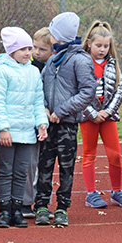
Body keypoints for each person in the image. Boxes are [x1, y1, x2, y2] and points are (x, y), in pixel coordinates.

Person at [34, 12, 95, 227]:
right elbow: (40, 87)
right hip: (47, 124)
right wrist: (44, 110)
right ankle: (41, 205)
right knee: (44, 165)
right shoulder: (52, 59)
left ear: (58, 35)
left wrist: (61, 111)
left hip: (67, 124)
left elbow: (87, 91)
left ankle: (62, 207)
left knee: (66, 167)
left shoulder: (80, 59)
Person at [0, 27, 48, 228]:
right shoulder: (1, 71)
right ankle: (4, 210)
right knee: (6, 170)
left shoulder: (33, 72)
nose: (28, 53)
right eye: (23, 49)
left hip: (26, 133)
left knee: (22, 171)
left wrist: (41, 123)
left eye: (29, 48)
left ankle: (17, 209)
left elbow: (38, 101)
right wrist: (3, 128)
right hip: (7, 133)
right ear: (11, 51)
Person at [79, 21, 122, 209]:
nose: (102, 49)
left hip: (108, 116)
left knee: (115, 154)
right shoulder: (82, 62)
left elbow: (120, 88)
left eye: (106, 46)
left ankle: (117, 191)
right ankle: (91, 193)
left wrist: (108, 111)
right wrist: (92, 113)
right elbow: (78, 91)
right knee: (89, 153)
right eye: (98, 45)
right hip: (88, 117)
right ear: (89, 43)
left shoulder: (113, 64)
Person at [21, 27, 54, 218]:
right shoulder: (29, 67)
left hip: (51, 122)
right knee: (29, 164)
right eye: (34, 48)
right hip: (32, 122)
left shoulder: (55, 67)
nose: (36, 52)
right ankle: (26, 201)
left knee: (45, 164)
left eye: (42, 49)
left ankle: (42, 202)